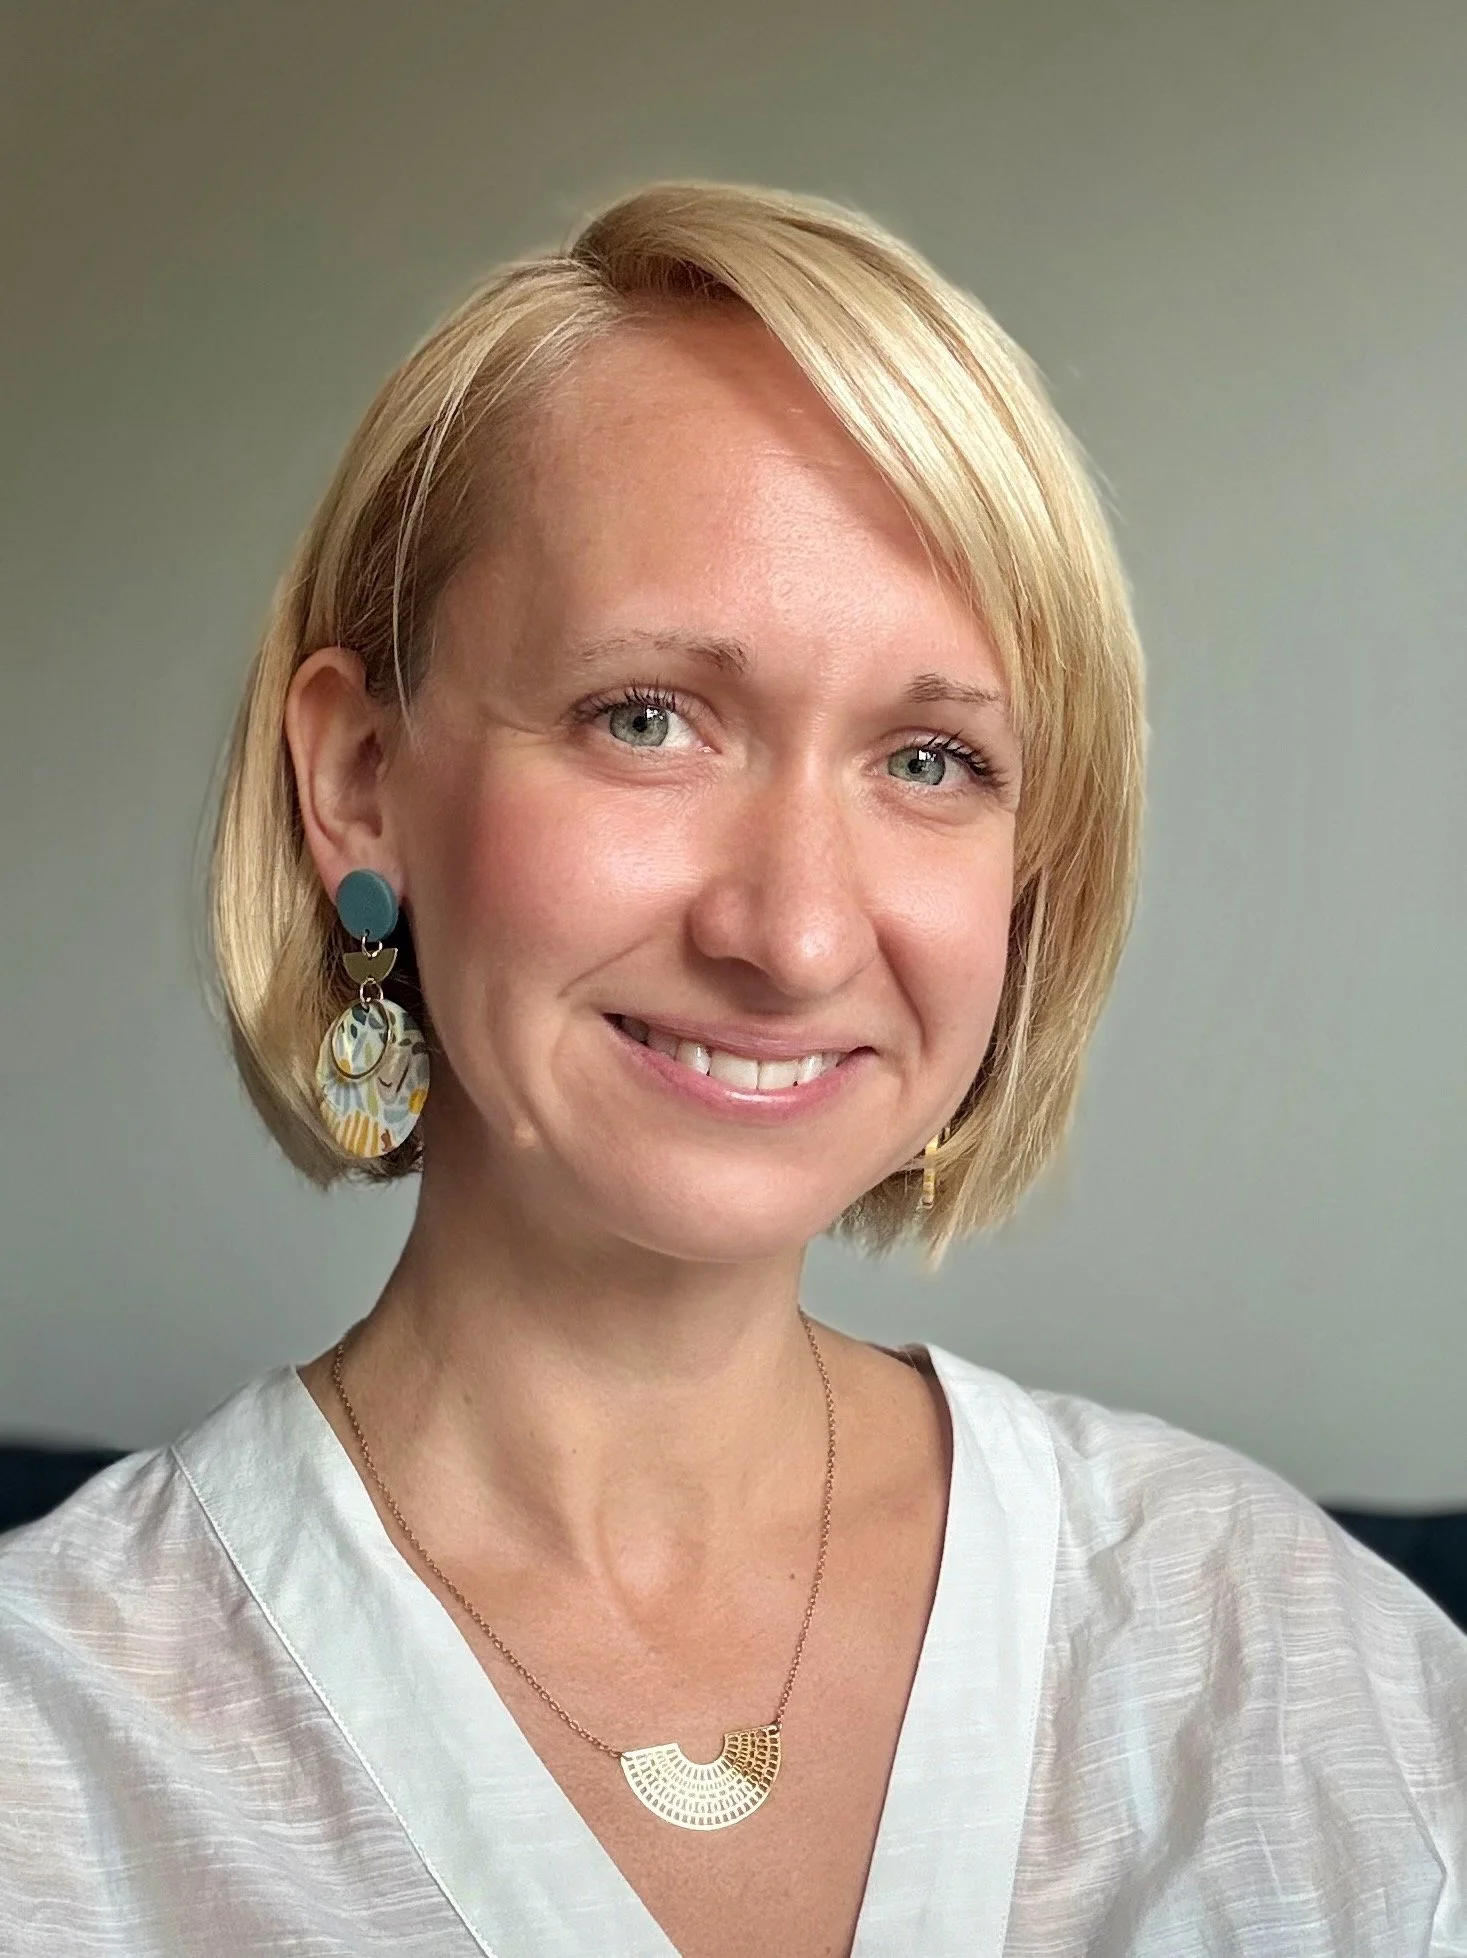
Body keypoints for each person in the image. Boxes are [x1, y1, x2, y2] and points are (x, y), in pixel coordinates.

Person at [1, 179, 1463, 1958]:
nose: (790, 934)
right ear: (358, 780)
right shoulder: (54, 1747)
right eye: (646, 718)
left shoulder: (1282, 1645)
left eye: (930, 759)